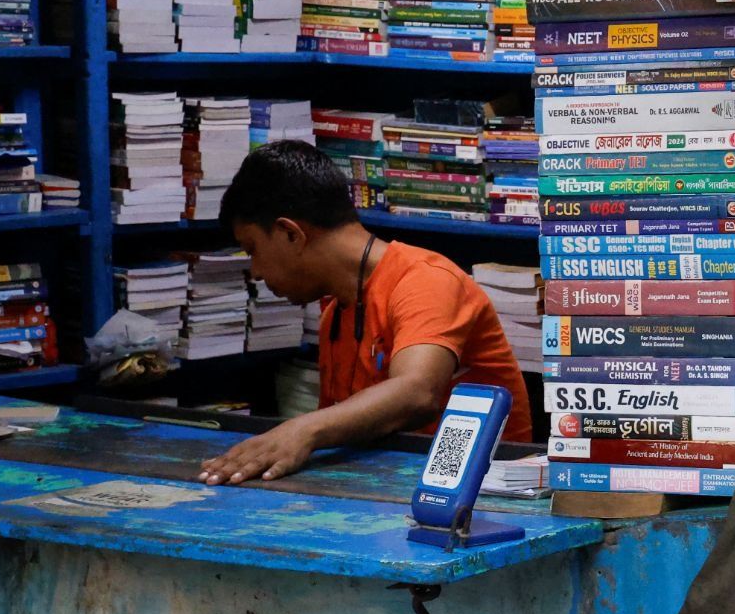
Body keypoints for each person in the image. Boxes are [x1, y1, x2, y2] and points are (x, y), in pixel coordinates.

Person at [198, 141, 532, 485]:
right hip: (386, 488)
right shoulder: (334, 313)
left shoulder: (427, 280)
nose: (255, 271)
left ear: (290, 234)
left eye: (253, 249)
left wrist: (301, 430)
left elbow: (418, 392)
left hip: (484, 496)